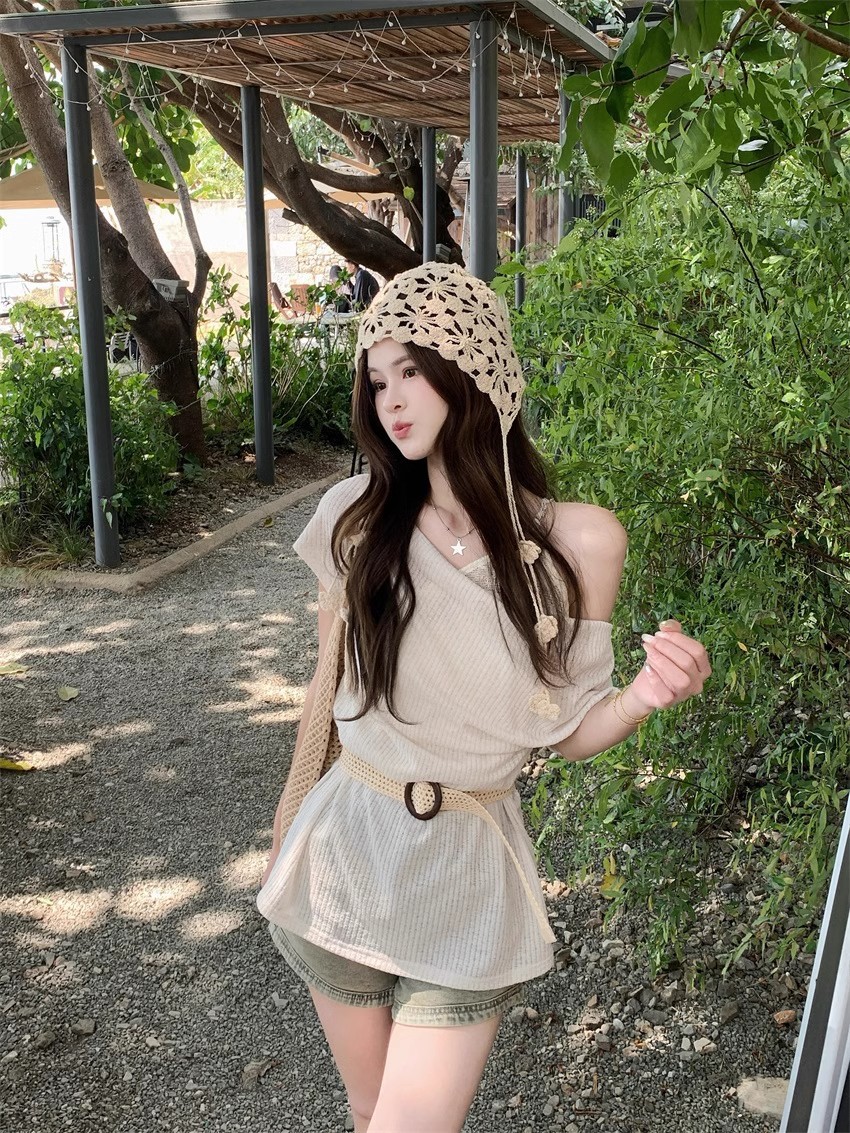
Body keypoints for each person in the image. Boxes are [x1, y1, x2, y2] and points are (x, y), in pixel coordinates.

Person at [257, 262, 711, 1132]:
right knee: (368, 1109)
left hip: (468, 865)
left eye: (412, 370)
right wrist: (287, 825)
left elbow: (568, 729)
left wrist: (645, 694)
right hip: (346, 848)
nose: (391, 400)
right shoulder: (356, 517)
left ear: (473, 370)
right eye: (377, 380)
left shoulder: (579, 541)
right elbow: (326, 685)